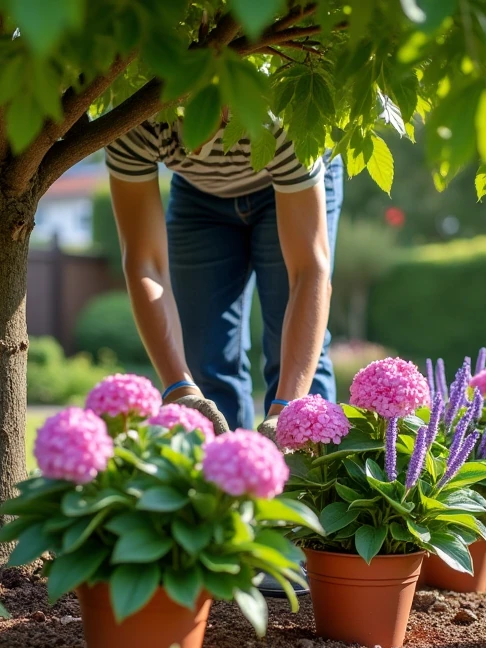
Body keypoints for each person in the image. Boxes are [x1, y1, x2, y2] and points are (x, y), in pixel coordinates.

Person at [105, 114, 342, 437]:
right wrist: (179, 389)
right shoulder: (135, 117)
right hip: (199, 195)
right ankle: (222, 480)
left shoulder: (280, 118)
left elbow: (309, 272)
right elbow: (146, 264)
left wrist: (287, 410)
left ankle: (307, 481)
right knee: (205, 366)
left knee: (296, 368)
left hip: (287, 185)